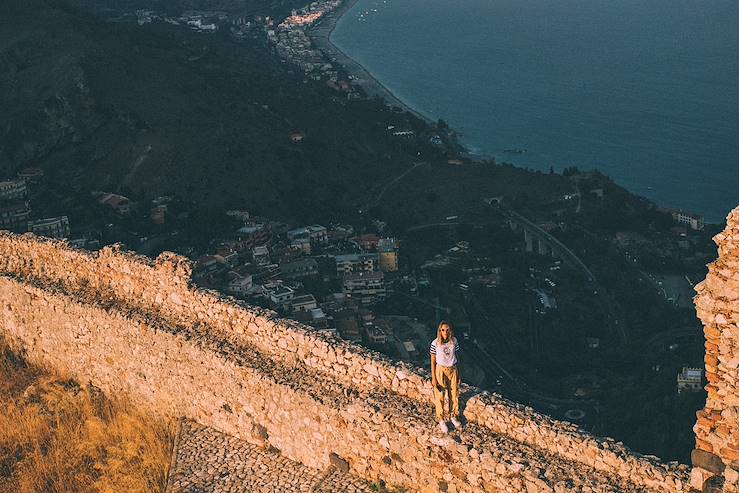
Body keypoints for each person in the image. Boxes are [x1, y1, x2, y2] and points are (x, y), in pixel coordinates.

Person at [430, 320, 461, 433]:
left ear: (450, 330)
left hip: (452, 369)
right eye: (443, 330)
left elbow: (457, 357)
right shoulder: (435, 344)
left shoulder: (454, 341)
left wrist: (459, 374)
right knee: (440, 396)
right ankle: (441, 419)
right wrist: (433, 378)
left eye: (447, 330)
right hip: (440, 370)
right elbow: (433, 361)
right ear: (439, 331)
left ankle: (452, 416)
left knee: (453, 394)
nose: (445, 332)